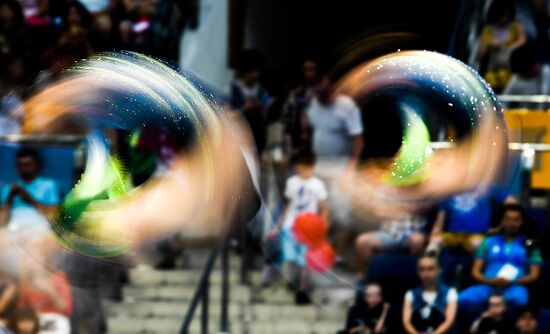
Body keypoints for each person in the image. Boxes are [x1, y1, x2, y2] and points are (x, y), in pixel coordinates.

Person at [306, 77, 364, 261]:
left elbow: (358, 139)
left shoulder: (346, 106)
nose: (318, 92)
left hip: (340, 167)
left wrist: (350, 169)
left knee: (341, 213)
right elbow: (311, 127)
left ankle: (337, 254)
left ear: (330, 85)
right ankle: (317, 250)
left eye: (321, 88)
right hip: (319, 165)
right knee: (316, 210)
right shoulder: (314, 103)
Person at [459, 204, 542, 319]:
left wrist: (513, 281)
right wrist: (492, 281)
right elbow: (475, 272)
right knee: (461, 299)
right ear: (502, 221)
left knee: (520, 300)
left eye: (516, 220)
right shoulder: (487, 242)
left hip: (514, 288)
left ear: (521, 222)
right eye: (507, 219)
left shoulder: (530, 244)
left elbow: (534, 275)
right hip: (488, 286)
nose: (511, 223)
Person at [269, 152, 328, 302]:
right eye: (302, 166)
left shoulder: (318, 184)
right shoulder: (292, 182)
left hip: (308, 227)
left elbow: (324, 208)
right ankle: (289, 283)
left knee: (304, 259)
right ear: (297, 167)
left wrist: (321, 227)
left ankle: (302, 287)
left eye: (309, 167)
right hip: (291, 225)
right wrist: (278, 226)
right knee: (289, 257)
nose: (305, 170)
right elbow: (288, 205)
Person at [427, 186, 516, 255]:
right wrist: (434, 236)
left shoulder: (486, 186)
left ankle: (473, 275)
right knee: (433, 246)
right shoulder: (449, 189)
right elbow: (440, 219)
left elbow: (512, 202)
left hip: (476, 235)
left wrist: (499, 228)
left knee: (477, 245)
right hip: (453, 235)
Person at [0, 147, 60, 232]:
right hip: (12, 230)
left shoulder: (48, 185)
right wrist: (9, 198)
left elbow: (53, 218)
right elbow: (1, 223)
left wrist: (29, 199)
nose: (23, 169)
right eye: (19, 165)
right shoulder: (9, 188)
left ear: (37, 165)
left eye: (27, 165)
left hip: (38, 230)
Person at [477, 0, 526, 93]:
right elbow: (479, 56)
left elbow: (522, 41)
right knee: (489, 83)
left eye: (507, 15)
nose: (504, 19)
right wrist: (490, 45)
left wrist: (509, 47)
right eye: (501, 15)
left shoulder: (516, 27)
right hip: (493, 70)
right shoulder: (487, 31)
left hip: (511, 70)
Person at [402, 254, 457, 334]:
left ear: (438, 270)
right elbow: (406, 322)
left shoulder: (450, 292)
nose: (426, 273)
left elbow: (449, 321)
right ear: (418, 272)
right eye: (422, 269)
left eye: (430, 269)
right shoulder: (410, 294)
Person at [355, 215, 426, 276]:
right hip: (389, 233)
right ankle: (367, 277)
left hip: (413, 233)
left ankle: (416, 280)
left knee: (417, 241)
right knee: (362, 241)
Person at [229, 49, 269, 156]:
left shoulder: (260, 90)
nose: (255, 75)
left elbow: (268, 111)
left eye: (257, 71)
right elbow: (228, 116)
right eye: (252, 71)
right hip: (240, 139)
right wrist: (245, 108)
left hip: (257, 139)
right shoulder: (234, 89)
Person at [282, 58, 321, 157]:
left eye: (311, 70)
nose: (308, 74)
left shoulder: (321, 92)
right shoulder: (295, 93)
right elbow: (287, 123)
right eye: (306, 70)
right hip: (297, 142)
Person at [503, 43, 550, 109]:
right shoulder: (516, 78)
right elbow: (505, 101)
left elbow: (544, 99)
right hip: (524, 115)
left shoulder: (546, 73)